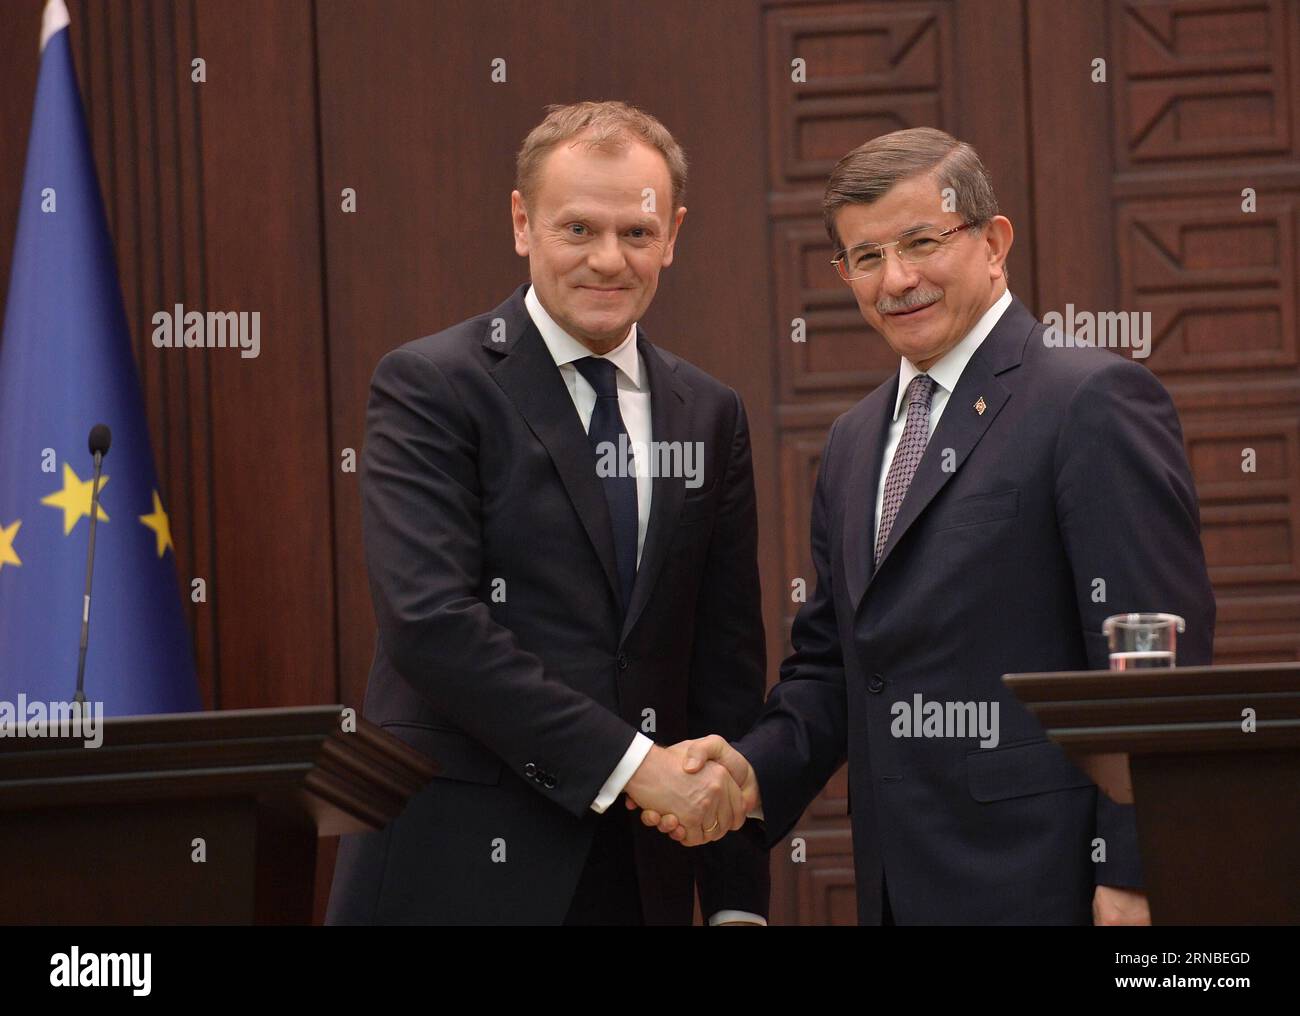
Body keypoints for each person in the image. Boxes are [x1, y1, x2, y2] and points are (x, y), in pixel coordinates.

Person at [639, 126, 1215, 926]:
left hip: (1054, 888)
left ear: (994, 242)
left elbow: (1153, 653)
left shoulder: (1092, 400)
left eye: (922, 242)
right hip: (899, 889)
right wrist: (744, 774)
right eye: (866, 257)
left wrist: (1137, 869)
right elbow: (834, 670)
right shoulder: (851, 442)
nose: (897, 279)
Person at [326, 101, 769, 925]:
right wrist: (635, 765)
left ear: (672, 234)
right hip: (454, 870)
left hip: (642, 879)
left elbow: (725, 663)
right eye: (578, 230)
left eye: (636, 234)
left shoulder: (710, 411)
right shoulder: (430, 386)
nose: (609, 260)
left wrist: (736, 898)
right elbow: (431, 623)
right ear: (523, 223)